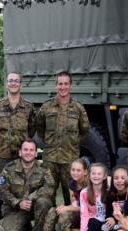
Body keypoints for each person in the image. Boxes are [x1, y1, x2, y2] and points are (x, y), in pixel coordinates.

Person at [0, 72, 37, 223]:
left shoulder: (28, 108)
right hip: (2, 155)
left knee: (22, 186)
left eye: (16, 81)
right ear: (6, 84)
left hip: (21, 156)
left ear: (21, 84)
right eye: (10, 81)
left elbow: (32, 130)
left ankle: (20, 219)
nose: (13, 83)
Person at [36, 71, 90, 205]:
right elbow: (40, 129)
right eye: (60, 84)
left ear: (70, 86)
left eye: (66, 84)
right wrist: (50, 143)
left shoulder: (78, 108)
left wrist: (72, 144)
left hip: (70, 161)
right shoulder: (46, 107)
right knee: (47, 195)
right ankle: (48, 222)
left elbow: (84, 131)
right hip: (50, 160)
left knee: (71, 197)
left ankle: (68, 223)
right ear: (56, 86)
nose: (63, 87)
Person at [0, 139, 56, 231]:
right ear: (20, 152)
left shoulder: (43, 169)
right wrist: (18, 202)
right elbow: (1, 190)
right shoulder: (9, 168)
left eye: (31, 150)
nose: (28, 152)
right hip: (14, 210)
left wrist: (31, 197)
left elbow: (50, 188)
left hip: (35, 209)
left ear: (36, 153)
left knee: (43, 201)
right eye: (25, 149)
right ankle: (24, 227)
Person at [31, 158, 89, 231]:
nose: (75, 173)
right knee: (53, 211)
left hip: (87, 216)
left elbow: (87, 208)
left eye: (78, 170)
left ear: (85, 172)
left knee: (64, 214)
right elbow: (74, 203)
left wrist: (66, 208)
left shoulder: (89, 185)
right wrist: (64, 207)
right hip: (77, 212)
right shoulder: (72, 184)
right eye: (73, 170)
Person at [68, 163, 109, 231]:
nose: (96, 176)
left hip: (105, 222)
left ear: (104, 176)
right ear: (89, 175)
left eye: (99, 174)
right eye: (93, 173)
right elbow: (84, 214)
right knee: (96, 223)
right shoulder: (84, 192)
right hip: (92, 219)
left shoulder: (109, 192)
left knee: (101, 229)